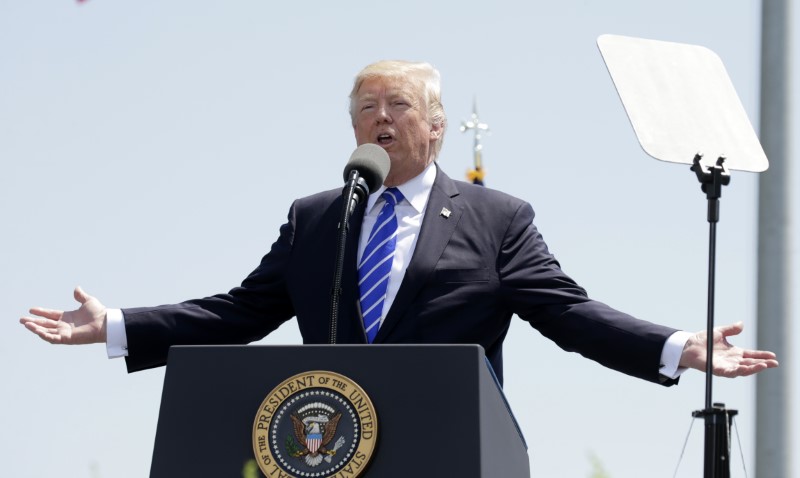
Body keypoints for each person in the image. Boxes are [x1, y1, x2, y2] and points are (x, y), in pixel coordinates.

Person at [20, 60, 778, 385]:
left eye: (397, 106)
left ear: (437, 127)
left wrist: (678, 346)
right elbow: (242, 313)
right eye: (363, 108)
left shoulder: (495, 217)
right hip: (328, 438)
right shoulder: (318, 216)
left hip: (450, 440)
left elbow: (569, 314)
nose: (377, 119)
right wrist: (118, 324)